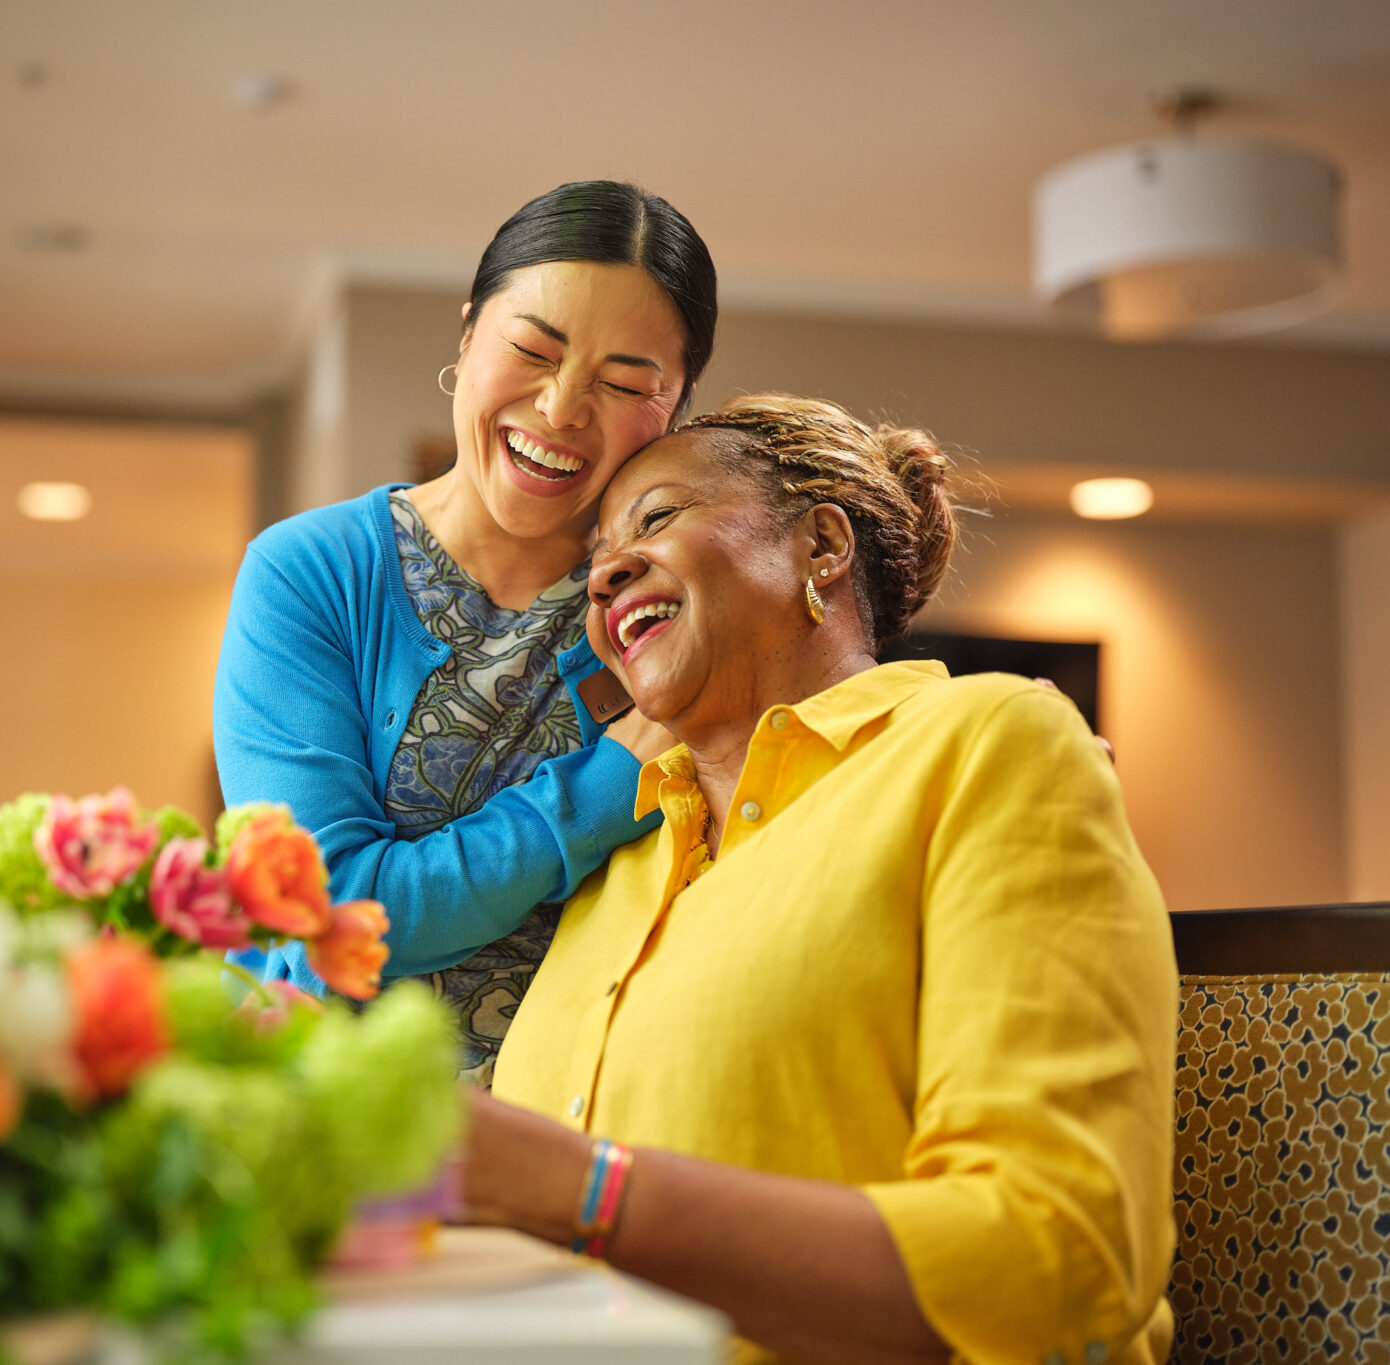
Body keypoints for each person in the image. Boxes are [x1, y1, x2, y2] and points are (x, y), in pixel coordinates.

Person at [467, 394, 1178, 1365]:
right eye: (594, 559)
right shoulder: (611, 869)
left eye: (659, 517)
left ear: (823, 546)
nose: (606, 576)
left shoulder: (990, 743)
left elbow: (1058, 1259)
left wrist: (583, 1193)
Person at [213, 182, 711, 1079]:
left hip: (568, 1152)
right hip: (310, 1133)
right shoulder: (310, 574)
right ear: (469, 334)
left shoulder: (674, 603)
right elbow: (335, 914)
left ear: (672, 413)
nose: (562, 409)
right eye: (532, 349)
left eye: (625, 383)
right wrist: (610, 783)